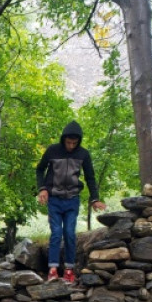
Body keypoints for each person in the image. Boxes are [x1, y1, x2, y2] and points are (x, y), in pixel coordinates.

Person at [35, 121, 106, 284]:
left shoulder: (83, 154)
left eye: (74, 143)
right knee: (56, 234)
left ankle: (69, 270)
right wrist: (42, 189)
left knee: (69, 233)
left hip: (72, 199)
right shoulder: (53, 150)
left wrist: (94, 198)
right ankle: (52, 270)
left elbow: (90, 177)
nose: (71, 146)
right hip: (54, 199)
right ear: (63, 139)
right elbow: (40, 169)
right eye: (68, 142)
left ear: (78, 142)